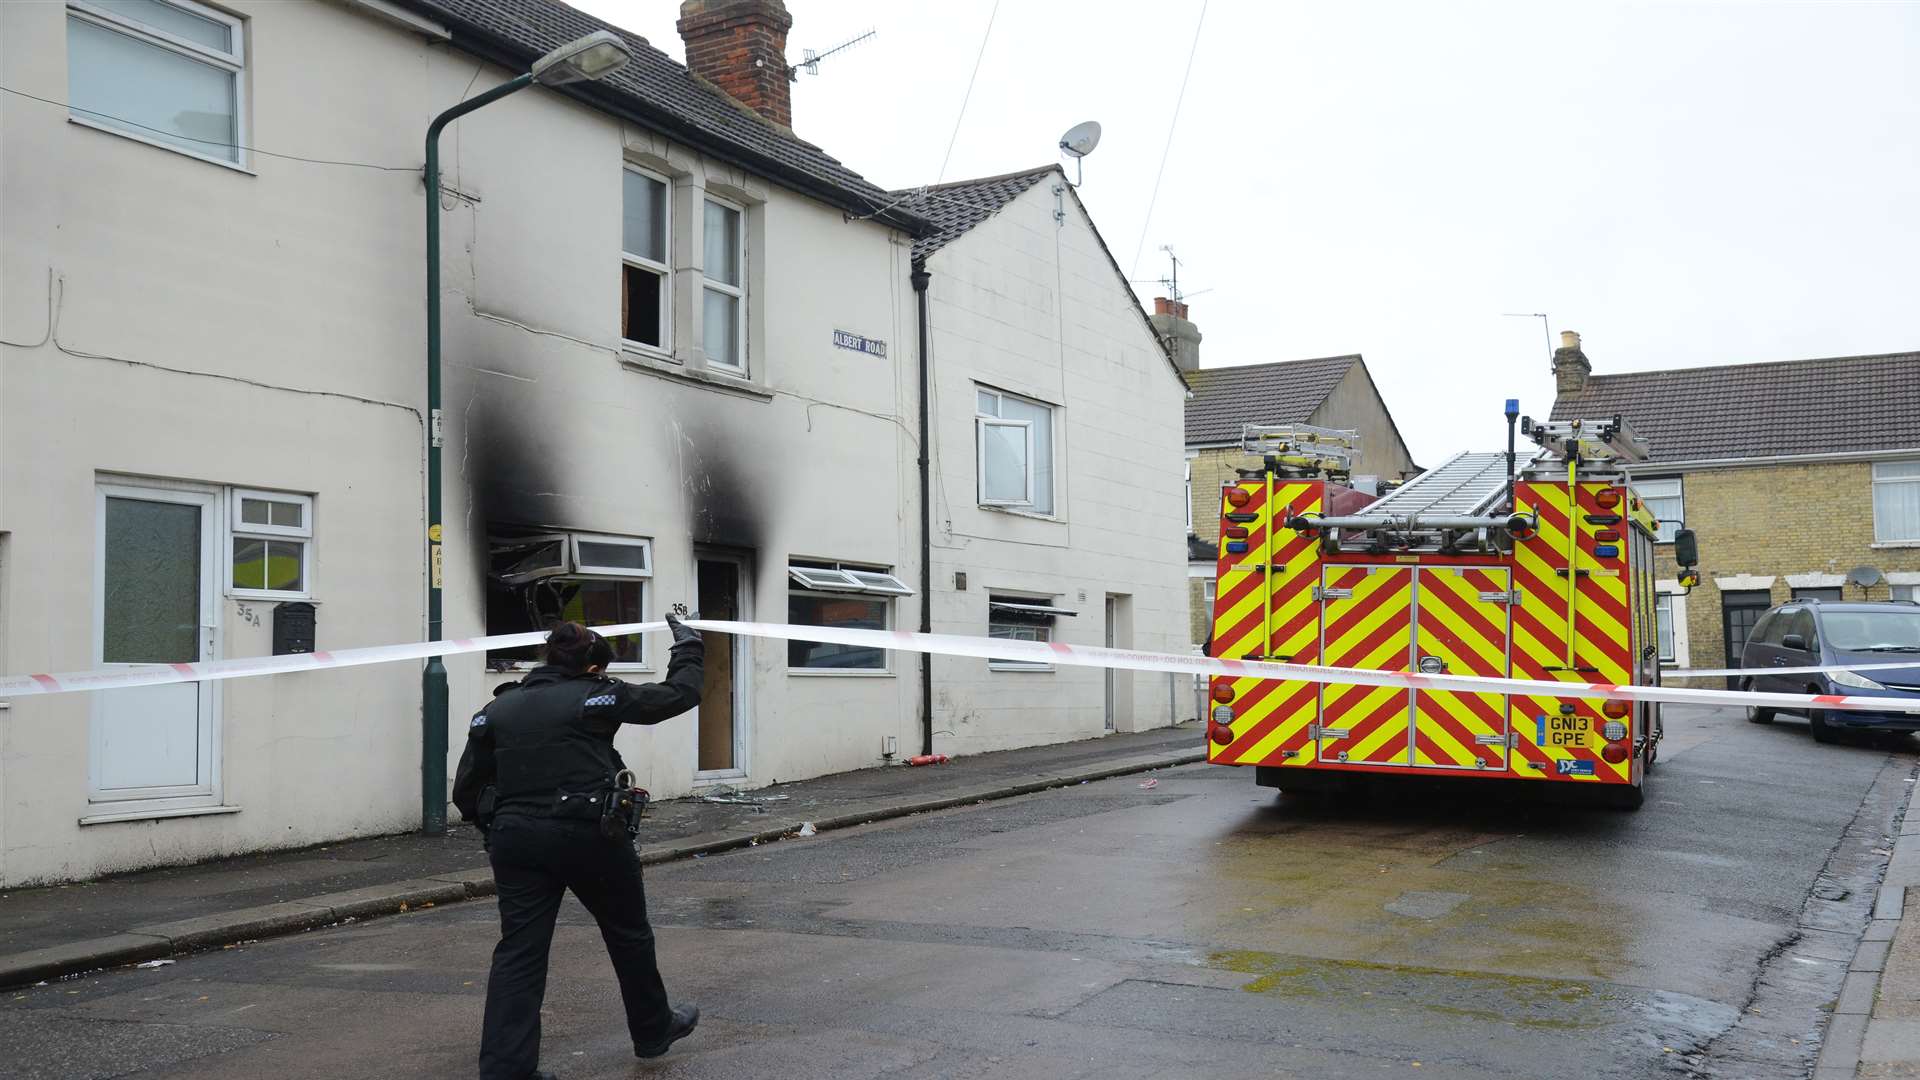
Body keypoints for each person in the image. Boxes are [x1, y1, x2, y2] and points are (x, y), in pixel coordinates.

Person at [453, 615, 705, 1080]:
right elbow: (678, 695)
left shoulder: (497, 710)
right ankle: (652, 1031)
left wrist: (496, 828)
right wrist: (688, 647)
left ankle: (508, 1071)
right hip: (589, 833)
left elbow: (466, 791)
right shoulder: (597, 696)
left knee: (519, 953)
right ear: (593, 667)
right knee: (628, 933)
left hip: (515, 840)